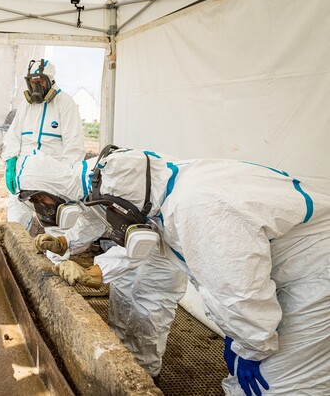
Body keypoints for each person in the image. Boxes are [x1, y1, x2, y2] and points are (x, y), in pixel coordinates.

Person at [50, 146, 330, 395]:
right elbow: (151, 240)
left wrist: (252, 347)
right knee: (248, 371)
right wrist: (97, 270)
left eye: (112, 209)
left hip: (316, 273)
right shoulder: (161, 191)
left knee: (279, 384)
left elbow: (240, 295)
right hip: (282, 273)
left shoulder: (198, 209)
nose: (111, 217)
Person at [16, 149, 187, 379]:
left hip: (164, 240)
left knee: (149, 307)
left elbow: (142, 241)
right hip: (135, 237)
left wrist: (94, 272)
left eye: (40, 198)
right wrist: (64, 241)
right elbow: (94, 220)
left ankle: (143, 376)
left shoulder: (111, 178)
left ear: (50, 186)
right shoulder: (81, 183)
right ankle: (118, 355)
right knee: (123, 290)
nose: (42, 205)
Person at [1, 58, 85, 230]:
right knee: (16, 215)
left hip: (51, 171)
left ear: (50, 81)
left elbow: (74, 144)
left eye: (40, 81)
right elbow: (13, 136)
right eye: (32, 82)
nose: (35, 86)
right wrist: (10, 162)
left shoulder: (65, 103)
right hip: (23, 170)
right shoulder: (26, 105)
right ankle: (16, 247)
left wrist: (65, 176)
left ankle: (55, 252)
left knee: (53, 220)